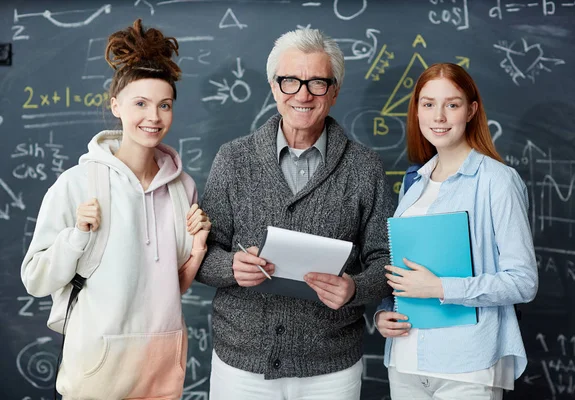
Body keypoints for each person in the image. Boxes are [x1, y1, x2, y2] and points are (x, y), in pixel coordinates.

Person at [197, 28, 395, 400]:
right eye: (290, 81)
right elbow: (203, 254)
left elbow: (385, 258)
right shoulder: (233, 158)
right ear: (274, 87)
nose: (303, 94)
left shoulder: (365, 167)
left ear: (334, 92)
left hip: (331, 368)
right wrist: (230, 268)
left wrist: (356, 288)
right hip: (242, 364)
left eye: (317, 82)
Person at [21, 19, 211, 400]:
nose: (153, 117)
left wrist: (198, 251)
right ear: (116, 106)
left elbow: (167, 288)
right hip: (96, 377)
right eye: (140, 103)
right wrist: (76, 238)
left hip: (161, 377)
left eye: (164, 105)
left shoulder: (182, 188)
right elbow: (34, 279)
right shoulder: (77, 184)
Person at [375, 63, 539, 399]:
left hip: (468, 366)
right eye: (428, 104)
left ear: (471, 110)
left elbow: (523, 281)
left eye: (452, 104)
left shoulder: (497, 181)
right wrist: (384, 312)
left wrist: (440, 287)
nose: (439, 117)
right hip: (405, 359)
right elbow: (402, 267)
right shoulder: (413, 183)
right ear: (416, 111)